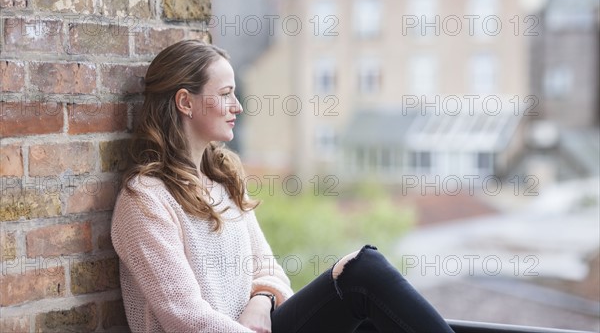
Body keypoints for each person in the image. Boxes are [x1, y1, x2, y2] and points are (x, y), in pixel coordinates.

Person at [111, 40, 455, 333]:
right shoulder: (144, 199)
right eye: (226, 94)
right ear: (186, 102)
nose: (238, 106)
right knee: (361, 274)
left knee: (364, 287)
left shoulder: (223, 177)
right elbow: (186, 318)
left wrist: (260, 301)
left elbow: (269, 269)